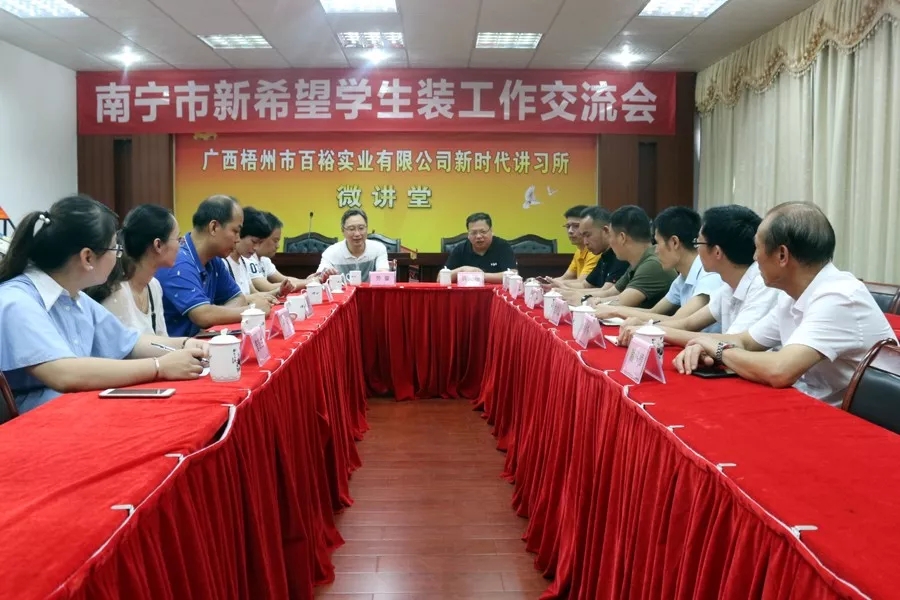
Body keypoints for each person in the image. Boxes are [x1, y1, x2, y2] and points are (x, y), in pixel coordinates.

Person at [674, 202, 896, 406]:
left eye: (757, 247)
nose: (754, 257)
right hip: (808, 404)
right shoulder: (791, 295)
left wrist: (719, 350)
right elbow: (746, 341)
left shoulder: (839, 297)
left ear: (782, 255)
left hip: (852, 423)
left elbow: (780, 370)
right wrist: (704, 343)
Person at [0, 195, 207, 413]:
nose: (118, 256)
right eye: (114, 249)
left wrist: (185, 345)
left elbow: (129, 343)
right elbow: (64, 373)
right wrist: (158, 367)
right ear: (87, 258)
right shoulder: (18, 301)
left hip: (76, 409)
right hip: (41, 420)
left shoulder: (73, 297)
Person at [618, 205, 781, 347]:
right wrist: (647, 327)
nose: (696, 249)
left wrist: (651, 330)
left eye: (699, 242)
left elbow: (733, 343)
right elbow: (688, 323)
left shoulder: (761, 285)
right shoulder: (729, 285)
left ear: (717, 252)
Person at [593, 206, 722, 327]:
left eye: (658, 242)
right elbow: (653, 312)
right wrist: (613, 310)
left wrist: (617, 311)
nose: (656, 250)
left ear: (674, 242)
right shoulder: (682, 278)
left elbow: (680, 322)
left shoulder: (709, 276)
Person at [157, 195, 263, 337]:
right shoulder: (178, 261)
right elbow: (203, 316)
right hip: (174, 348)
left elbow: (238, 298)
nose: (238, 239)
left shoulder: (214, 260)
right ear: (213, 227)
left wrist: (215, 314)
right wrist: (252, 311)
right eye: (235, 231)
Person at [85, 204, 180, 336]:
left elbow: (162, 338)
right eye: (178, 238)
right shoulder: (117, 292)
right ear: (158, 245)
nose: (180, 244)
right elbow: (122, 347)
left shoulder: (154, 286)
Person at [583, 205, 676, 308]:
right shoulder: (637, 261)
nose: (610, 242)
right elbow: (610, 293)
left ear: (622, 237)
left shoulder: (653, 264)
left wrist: (591, 301)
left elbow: (620, 302)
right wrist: (585, 298)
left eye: (610, 236)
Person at [555, 206, 629, 303]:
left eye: (588, 235)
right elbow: (585, 285)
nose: (585, 242)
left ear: (606, 231)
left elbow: (608, 292)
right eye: (583, 236)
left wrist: (570, 292)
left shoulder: (621, 255)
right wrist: (560, 286)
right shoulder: (604, 255)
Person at [224, 206, 289, 301]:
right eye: (254, 242)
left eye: (260, 243)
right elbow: (230, 301)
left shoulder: (242, 261)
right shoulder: (223, 263)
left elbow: (254, 293)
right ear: (239, 234)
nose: (256, 248)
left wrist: (278, 291)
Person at [317, 208, 388, 282]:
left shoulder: (378, 249)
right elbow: (318, 277)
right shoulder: (331, 253)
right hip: (342, 290)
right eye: (351, 229)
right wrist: (324, 275)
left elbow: (384, 274)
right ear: (343, 231)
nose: (357, 234)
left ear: (367, 228)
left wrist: (382, 273)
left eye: (361, 228)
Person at [445, 212, 517, 284]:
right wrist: (462, 270)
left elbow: (512, 275)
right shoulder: (460, 249)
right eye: (474, 233)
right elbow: (441, 277)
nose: (478, 236)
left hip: (495, 290)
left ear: (491, 231)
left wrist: (480, 276)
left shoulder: (503, 246)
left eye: (483, 232)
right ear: (468, 234)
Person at [249, 211, 310, 291]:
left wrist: (308, 280)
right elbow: (268, 288)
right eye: (275, 240)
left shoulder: (264, 259)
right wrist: (308, 282)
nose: (278, 246)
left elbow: (284, 279)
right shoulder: (248, 259)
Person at [546, 205, 598, 286]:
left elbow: (582, 283)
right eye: (568, 226)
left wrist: (553, 283)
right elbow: (564, 278)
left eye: (576, 226)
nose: (570, 231)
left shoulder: (594, 251)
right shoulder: (579, 251)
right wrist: (543, 281)